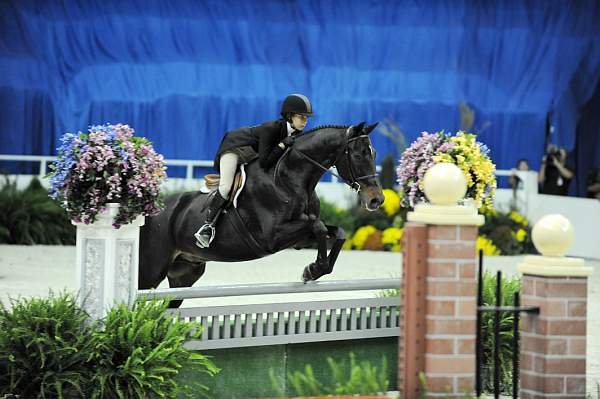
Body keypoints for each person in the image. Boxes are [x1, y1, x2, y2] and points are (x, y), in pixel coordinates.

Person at [194, 94, 314, 248]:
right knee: (226, 187)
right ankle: (207, 227)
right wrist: (282, 145)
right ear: (290, 116)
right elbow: (265, 162)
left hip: (251, 154)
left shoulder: (295, 133)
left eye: (306, 118)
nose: (305, 121)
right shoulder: (271, 128)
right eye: (301, 117)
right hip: (235, 149)